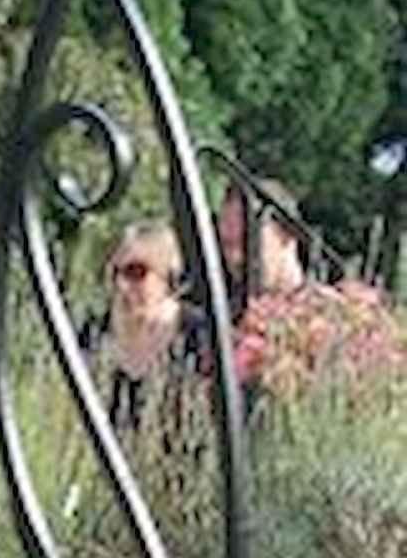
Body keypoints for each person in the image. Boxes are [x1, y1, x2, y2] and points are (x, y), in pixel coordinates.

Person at [84, 221, 202, 431]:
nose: (122, 285)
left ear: (168, 276)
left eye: (136, 272)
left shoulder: (199, 335)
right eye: (115, 273)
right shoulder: (93, 335)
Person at [217, 177, 305, 303]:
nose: (236, 258)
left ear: (287, 235)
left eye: (246, 243)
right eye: (228, 245)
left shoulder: (326, 308)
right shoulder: (224, 307)